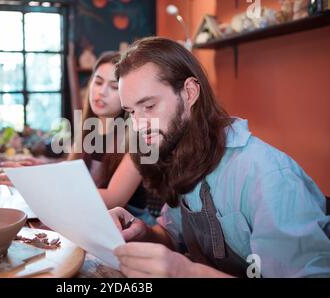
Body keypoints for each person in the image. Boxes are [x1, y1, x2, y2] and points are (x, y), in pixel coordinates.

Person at [109, 37, 330, 277]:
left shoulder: (267, 174)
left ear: (190, 92)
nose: (139, 125)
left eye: (149, 106)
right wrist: (145, 234)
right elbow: (174, 237)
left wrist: (187, 273)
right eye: (131, 112)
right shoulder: (183, 155)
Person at [0, 51, 156, 225]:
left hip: (134, 230)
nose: (101, 92)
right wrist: (41, 169)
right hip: (93, 221)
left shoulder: (140, 140)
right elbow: (74, 175)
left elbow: (112, 199)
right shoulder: (89, 129)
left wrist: (40, 181)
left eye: (114, 87)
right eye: (98, 82)